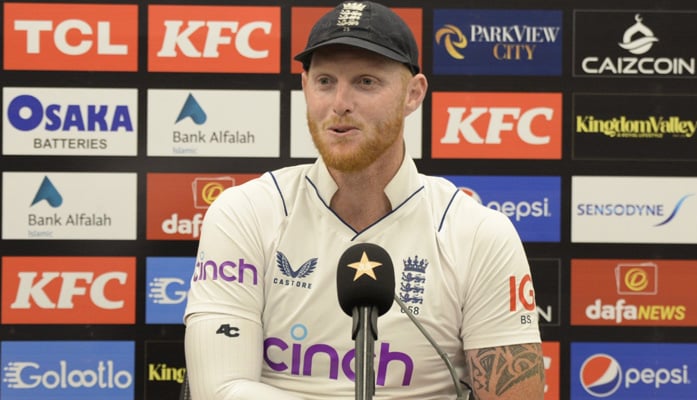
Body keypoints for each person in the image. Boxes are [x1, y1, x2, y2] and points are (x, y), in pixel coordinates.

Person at [183, 1, 545, 399]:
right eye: (324, 81)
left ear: (413, 94)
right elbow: (218, 391)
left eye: (366, 82)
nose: (340, 102)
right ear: (304, 87)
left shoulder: (478, 234)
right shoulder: (246, 213)